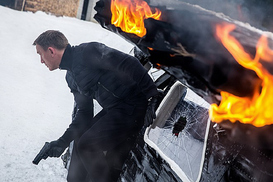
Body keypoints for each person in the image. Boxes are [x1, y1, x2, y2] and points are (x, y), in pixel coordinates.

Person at [33, 30, 159, 182]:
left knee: (88, 145)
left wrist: (152, 96)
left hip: (134, 104)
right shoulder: (71, 77)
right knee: (80, 141)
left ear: (51, 51)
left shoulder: (88, 52)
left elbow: (128, 63)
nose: (41, 60)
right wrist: (62, 142)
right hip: (115, 110)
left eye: (40, 54)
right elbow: (84, 114)